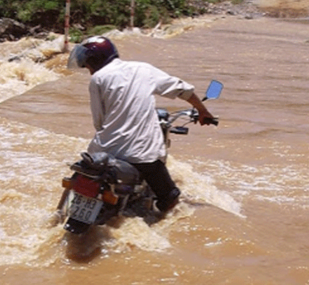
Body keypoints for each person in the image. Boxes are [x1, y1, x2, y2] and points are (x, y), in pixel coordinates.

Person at [67, 35, 215, 213]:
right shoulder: (143, 69)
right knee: (170, 197)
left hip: (104, 151)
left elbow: (99, 122)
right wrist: (202, 110)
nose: (88, 70)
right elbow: (182, 89)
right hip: (141, 155)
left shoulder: (98, 79)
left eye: (88, 65)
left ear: (95, 61)